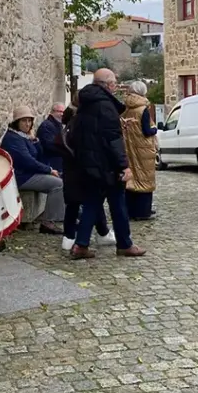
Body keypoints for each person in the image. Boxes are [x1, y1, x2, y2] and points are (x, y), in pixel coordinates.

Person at [68, 69, 146, 259]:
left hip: (89, 163)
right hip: (107, 166)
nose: (115, 86)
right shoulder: (105, 107)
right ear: (108, 85)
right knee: (118, 204)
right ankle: (125, 244)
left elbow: (78, 134)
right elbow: (112, 139)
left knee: (91, 204)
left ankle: (81, 245)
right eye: (114, 83)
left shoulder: (86, 104)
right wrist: (124, 166)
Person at [1, 106, 65, 235]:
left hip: (29, 173)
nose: (27, 124)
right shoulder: (13, 139)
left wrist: (35, 140)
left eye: (29, 121)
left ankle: (62, 215)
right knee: (58, 184)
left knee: (63, 178)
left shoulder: (23, 137)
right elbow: (27, 161)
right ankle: (48, 221)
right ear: (16, 122)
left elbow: (39, 155)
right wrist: (48, 170)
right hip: (21, 176)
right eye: (24, 121)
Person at [58, 106, 115, 251]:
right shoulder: (79, 131)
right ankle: (101, 233)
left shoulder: (65, 132)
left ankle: (69, 236)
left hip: (71, 174)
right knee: (93, 203)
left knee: (74, 205)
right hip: (82, 173)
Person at [120, 80, 158, 221]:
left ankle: (130, 210)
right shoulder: (143, 109)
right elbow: (147, 131)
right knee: (145, 179)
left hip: (129, 147)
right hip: (143, 149)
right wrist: (155, 129)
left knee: (132, 179)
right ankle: (143, 211)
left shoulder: (125, 108)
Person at [36, 103, 66, 174]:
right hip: (50, 163)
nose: (62, 114)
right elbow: (50, 145)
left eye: (63, 112)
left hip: (57, 163)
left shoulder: (58, 125)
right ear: (53, 112)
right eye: (59, 111)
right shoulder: (46, 126)